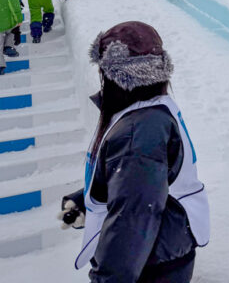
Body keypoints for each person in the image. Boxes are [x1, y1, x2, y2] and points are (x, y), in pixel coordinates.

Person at [59, 21, 209, 282]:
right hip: (160, 254)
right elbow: (141, 184)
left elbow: (134, 215)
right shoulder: (148, 113)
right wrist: (87, 198)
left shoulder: (137, 134)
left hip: (150, 265)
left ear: (116, 76)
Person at [0, 0, 24, 75]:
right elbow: (15, 7)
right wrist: (19, 19)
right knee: (11, 32)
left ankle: (0, 66)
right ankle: (8, 46)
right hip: (8, 22)